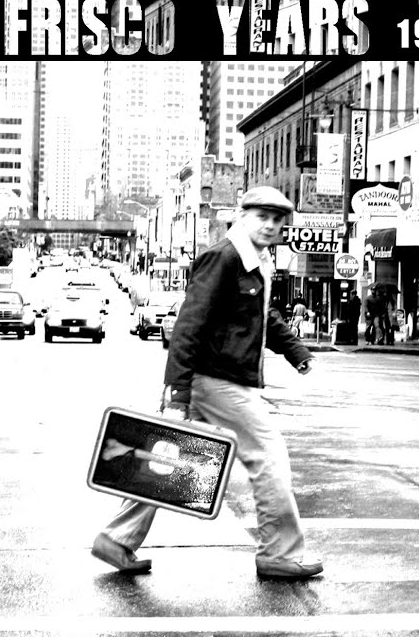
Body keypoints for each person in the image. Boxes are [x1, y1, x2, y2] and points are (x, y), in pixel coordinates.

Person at [91, 185, 322, 580]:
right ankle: (279, 552)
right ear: (242, 217)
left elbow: (262, 317)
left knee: (168, 459)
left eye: (277, 220)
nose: (270, 225)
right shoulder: (225, 257)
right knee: (268, 457)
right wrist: (177, 393)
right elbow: (188, 326)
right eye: (262, 217)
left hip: (211, 379)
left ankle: (116, 539)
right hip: (218, 379)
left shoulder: (256, 260)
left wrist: (296, 352)